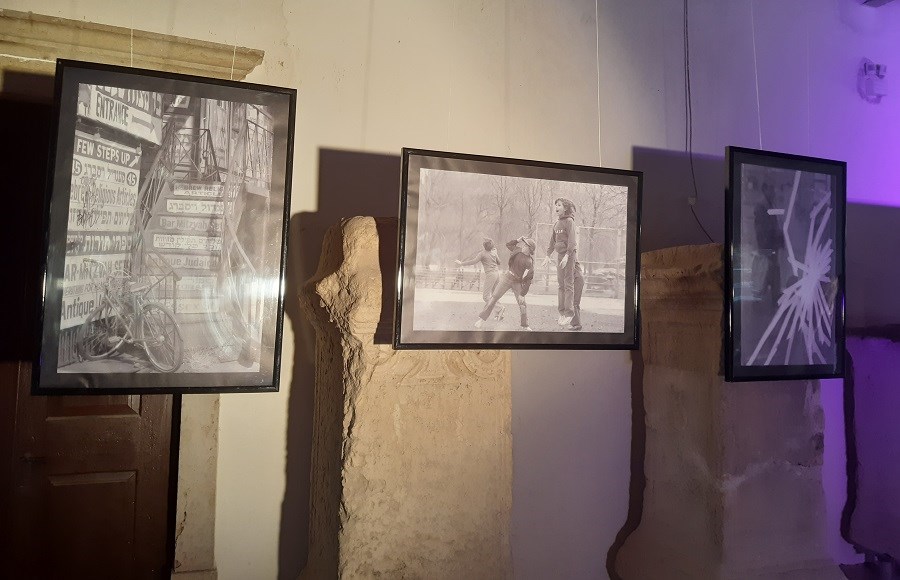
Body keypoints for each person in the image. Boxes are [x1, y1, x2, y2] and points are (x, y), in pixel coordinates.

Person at [475, 237, 536, 331]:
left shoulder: (529, 262)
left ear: (530, 249)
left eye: (526, 245)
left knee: (522, 304)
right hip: (506, 278)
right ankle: (481, 320)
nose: (523, 245)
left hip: (517, 282)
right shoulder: (517, 250)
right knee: (493, 298)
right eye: (524, 244)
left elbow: (528, 280)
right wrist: (518, 240)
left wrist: (522, 294)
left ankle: (525, 325)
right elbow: (508, 245)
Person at [546, 197, 584, 331]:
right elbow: (552, 241)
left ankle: (569, 313)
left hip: (569, 255)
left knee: (569, 285)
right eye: (556, 205)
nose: (556, 207)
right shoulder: (556, 224)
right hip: (561, 256)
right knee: (561, 285)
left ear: (565, 208)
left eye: (559, 205)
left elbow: (572, 242)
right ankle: (563, 313)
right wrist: (547, 255)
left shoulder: (569, 221)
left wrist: (567, 256)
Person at [454, 238, 501, 304]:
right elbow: (499, 262)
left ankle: (499, 308)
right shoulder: (494, 252)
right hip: (497, 274)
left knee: (485, 297)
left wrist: (461, 263)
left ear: (484, 246)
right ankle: (499, 309)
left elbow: (473, 261)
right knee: (494, 296)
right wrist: (495, 254)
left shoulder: (482, 254)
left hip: (491, 274)